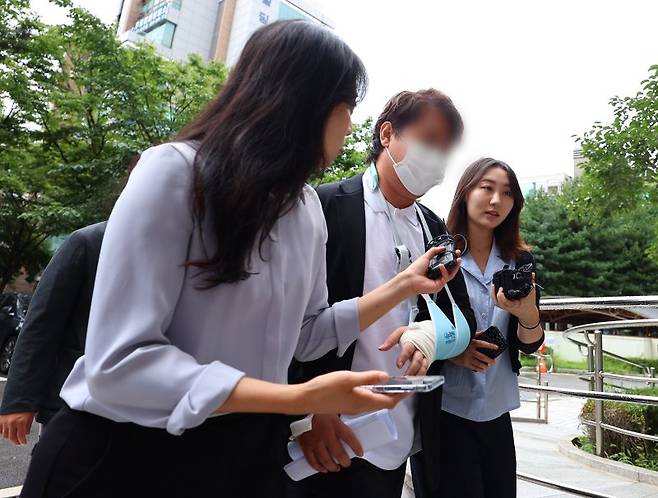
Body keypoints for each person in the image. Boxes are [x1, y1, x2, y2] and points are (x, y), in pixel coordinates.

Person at [19, 21, 447, 498]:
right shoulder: (176, 173)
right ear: (300, 103)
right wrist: (296, 399)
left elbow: (306, 335)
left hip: (242, 455)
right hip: (124, 454)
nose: (350, 126)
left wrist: (403, 285)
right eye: (345, 108)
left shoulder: (305, 209)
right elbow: (120, 361)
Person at [287, 89, 477, 498]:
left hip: (396, 437)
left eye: (446, 150)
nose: (437, 159)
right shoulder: (326, 207)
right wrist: (307, 414)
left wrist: (430, 336)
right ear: (387, 134)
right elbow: (290, 322)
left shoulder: (434, 227)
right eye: (428, 141)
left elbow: (463, 321)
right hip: (327, 430)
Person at [424, 158, 544, 498]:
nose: (496, 201)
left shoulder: (519, 261)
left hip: (497, 409)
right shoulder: (437, 254)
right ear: (465, 192)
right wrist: (454, 353)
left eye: (507, 193)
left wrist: (526, 314)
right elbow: (411, 321)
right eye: (486, 188)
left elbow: (530, 343)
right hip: (446, 408)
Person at [0, 222, 106, 445]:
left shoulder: (179, 248)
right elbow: (42, 322)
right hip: (73, 401)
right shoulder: (89, 241)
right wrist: (19, 400)